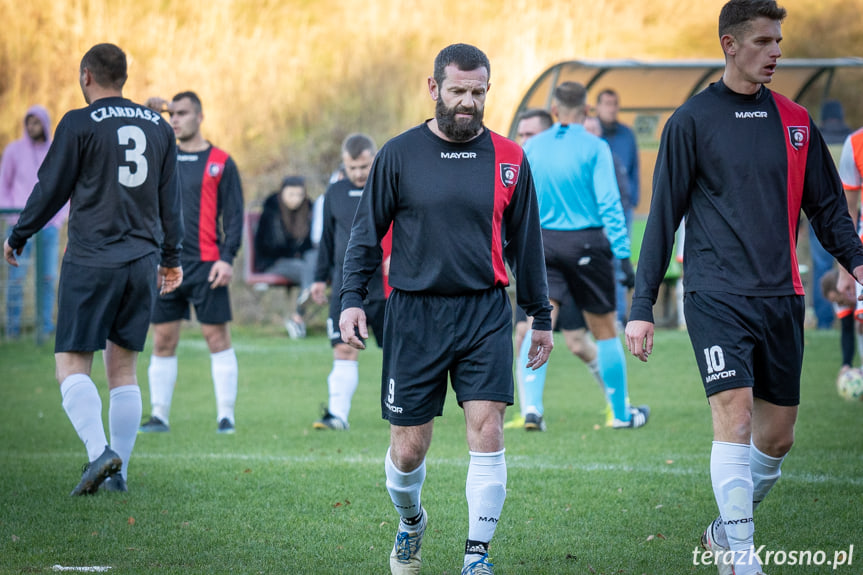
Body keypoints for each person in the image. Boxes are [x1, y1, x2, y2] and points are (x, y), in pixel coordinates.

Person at [624, 2, 863, 574]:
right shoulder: (690, 121)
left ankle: (722, 531)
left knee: (776, 440)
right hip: (715, 295)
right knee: (733, 417)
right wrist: (641, 307)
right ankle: (743, 556)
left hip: (782, 297)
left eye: (779, 40)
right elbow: (662, 218)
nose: (776, 51)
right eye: (763, 41)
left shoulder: (797, 121)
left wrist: (858, 263)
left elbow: (829, 211)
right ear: (730, 45)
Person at [339, 43, 553, 575]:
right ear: (433, 88)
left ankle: (476, 557)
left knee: (488, 429)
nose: (468, 102)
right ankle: (411, 522)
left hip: (484, 312)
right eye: (458, 90)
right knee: (409, 450)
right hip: (413, 313)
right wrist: (350, 300)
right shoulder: (398, 154)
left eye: (478, 92)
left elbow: (527, 245)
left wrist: (540, 316)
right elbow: (365, 237)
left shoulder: (510, 158)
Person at [3, 43, 184, 494]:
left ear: (87, 76)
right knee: (122, 370)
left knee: (70, 366)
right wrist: (172, 258)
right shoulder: (159, 126)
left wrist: (19, 234)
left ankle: (99, 452)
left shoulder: (79, 122)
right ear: (123, 77)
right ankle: (118, 475)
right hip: (142, 261)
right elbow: (170, 200)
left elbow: (51, 188)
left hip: (90, 259)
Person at [524, 81, 648, 431]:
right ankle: (621, 415)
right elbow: (610, 203)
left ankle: (532, 410)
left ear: (553, 111)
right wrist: (623, 255)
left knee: (538, 324)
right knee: (605, 330)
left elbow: (522, 200)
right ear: (587, 110)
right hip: (587, 244)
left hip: (544, 244)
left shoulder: (532, 147)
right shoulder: (596, 147)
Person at [139, 91, 243, 435]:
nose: (175, 119)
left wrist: (227, 259)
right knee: (163, 340)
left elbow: (236, 218)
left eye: (182, 113)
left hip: (207, 265)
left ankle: (225, 417)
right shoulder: (160, 157)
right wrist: (147, 116)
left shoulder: (221, 161)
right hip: (167, 265)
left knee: (217, 339)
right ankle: (159, 417)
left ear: (200, 116)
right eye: (171, 114)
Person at [506, 109, 610, 431]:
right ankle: (531, 411)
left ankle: (618, 403)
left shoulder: (573, 161)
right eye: (521, 135)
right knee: (526, 331)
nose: (525, 141)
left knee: (578, 342)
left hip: (578, 259)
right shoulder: (517, 169)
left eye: (531, 135)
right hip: (544, 263)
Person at [308, 133, 386, 430]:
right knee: (343, 348)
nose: (358, 173)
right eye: (352, 167)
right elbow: (327, 240)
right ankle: (338, 416)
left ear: (374, 160)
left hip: (387, 287)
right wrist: (319, 278)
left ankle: (406, 412)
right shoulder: (334, 193)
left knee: (400, 351)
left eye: (364, 167)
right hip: (346, 286)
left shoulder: (386, 189)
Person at [0, 105, 68, 339]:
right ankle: (13, 330)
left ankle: (45, 329)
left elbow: (64, 187)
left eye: (37, 122)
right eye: (29, 122)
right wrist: (13, 218)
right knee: (16, 280)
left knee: (48, 278)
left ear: (45, 124)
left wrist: (57, 219)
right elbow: (3, 186)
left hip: (48, 228)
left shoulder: (55, 150)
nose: (32, 127)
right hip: (19, 227)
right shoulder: (13, 151)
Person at [596, 88, 640, 325]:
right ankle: (597, 317)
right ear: (597, 107)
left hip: (623, 209)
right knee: (597, 263)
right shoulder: (592, 135)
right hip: (597, 210)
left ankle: (620, 318)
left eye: (615, 104)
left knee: (620, 263)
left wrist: (632, 199)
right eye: (607, 103)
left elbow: (633, 170)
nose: (611, 108)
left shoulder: (627, 135)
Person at [254, 175, 317, 338]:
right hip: (274, 260)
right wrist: (294, 252)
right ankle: (299, 314)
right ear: (282, 193)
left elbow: (310, 242)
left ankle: (299, 313)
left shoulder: (308, 208)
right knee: (307, 269)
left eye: (299, 195)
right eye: (291, 194)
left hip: (300, 260)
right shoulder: (272, 209)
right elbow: (268, 245)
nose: (296, 199)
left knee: (313, 257)